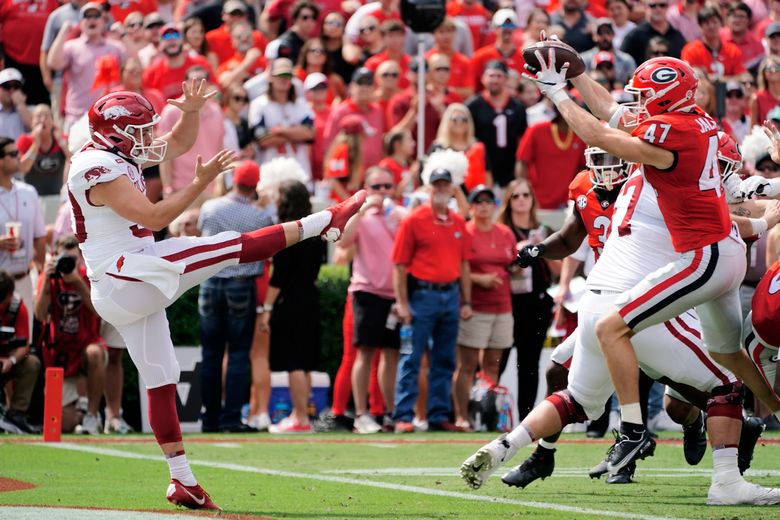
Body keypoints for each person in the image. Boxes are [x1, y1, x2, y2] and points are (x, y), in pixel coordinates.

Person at [66, 81, 366, 509]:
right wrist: (201, 183)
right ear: (115, 133)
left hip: (126, 278)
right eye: (140, 131)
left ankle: (181, 480)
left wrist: (189, 113)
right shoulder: (96, 168)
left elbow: (175, 144)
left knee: (161, 376)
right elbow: (156, 215)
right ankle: (324, 223)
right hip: (128, 274)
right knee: (229, 246)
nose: (148, 138)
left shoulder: (116, 153)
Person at [460, 162, 780, 505]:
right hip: (638, 305)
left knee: (576, 398)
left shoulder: (632, 184)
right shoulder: (673, 183)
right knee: (727, 378)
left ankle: (504, 446)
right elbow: (730, 216)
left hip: (595, 299)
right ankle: (715, 475)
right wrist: (765, 217)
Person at [526, 47, 780, 475]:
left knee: (613, 326)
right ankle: (769, 414)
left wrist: (559, 95)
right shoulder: (690, 123)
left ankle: (630, 431)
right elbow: (612, 113)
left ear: (665, 99)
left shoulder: (676, 135)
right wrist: (578, 75)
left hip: (707, 257)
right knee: (729, 354)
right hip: (718, 254)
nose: (637, 104)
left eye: (645, 96)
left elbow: (603, 135)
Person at [391, 167, 472, 433]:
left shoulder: (457, 222)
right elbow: (399, 266)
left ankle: (438, 415)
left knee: (445, 359)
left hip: (449, 295)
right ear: (428, 189)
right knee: (412, 357)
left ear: (451, 189)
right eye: (435, 185)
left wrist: (466, 300)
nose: (440, 189)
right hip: (423, 295)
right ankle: (404, 415)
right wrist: (402, 303)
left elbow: (463, 264)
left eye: (444, 185)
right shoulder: (414, 220)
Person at [198, 161, 272, 433]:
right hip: (241, 283)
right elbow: (268, 250)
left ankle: (209, 418)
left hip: (210, 282)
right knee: (239, 354)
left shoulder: (210, 207)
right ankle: (230, 418)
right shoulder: (260, 215)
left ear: (233, 181)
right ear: (254, 185)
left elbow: (200, 233)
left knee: (211, 354)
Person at [339, 167, 405, 433]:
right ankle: (361, 414)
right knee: (364, 353)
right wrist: (362, 209)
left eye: (387, 186)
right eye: (376, 187)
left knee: (391, 355)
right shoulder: (362, 216)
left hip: (393, 294)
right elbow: (343, 243)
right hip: (367, 291)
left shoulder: (398, 214)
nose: (382, 192)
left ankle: (389, 413)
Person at [259, 180, 328, 434]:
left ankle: (300, 417)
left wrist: (266, 308)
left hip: (290, 302)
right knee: (305, 361)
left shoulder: (288, 233)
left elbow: (279, 277)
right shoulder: (316, 233)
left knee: (294, 362)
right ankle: (301, 414)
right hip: (310, 297)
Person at [452, 185, 516, 431]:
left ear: (495, 205)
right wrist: (481, 279)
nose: (484, 205)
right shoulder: (465, 231)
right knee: (467, 365)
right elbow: (457, 268)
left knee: (492, 364)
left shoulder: (505, 233)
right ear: (471, 206)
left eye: (488, 201)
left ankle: (487, 414)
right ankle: (462, 415)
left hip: (502, 306)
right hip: (475, 306)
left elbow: (511, 264)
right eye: (478, 201)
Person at [499, 179, 559, 421]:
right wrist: (517, 252)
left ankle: (525, 420)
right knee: (498, 359)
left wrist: (539, 250)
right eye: (516, 196)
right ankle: (488, 413)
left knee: (530, 363)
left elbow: (558, 268)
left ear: (533, 200)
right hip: (507, 303)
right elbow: (498, 266)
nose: (521, 200)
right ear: (508, 201)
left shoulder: (542, 230)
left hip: (537, 303)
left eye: (526, 195)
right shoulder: (502, 230)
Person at [36, 234, 106, 434]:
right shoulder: (48, 278)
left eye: (73, 260)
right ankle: (80, 413)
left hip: (85, 347)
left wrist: (78, 282)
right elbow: (40, 315)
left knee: (96, 353)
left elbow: (98, 310)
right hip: (60, 356)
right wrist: (47, 285)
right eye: (64, 260)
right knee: (61, 426)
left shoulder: (88, 276)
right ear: (55, 258)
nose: (68, 264)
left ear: (81, 259)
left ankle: (92, 415)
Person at [46, 2, 126, 130]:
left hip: (109, 116)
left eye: (96, 16)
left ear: (103, 21)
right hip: (77, 117)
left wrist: (124, 35)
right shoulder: (71, 46)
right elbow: (53, 63)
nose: (92, 19)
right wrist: (63, 33)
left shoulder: (115, 47)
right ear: (80, 23)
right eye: (87, 16)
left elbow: (136, 65)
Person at [157, 66, 224, 200]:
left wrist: (220, 182)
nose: (197, 84)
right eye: (193, 80)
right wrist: (168, 187)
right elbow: (163, 153)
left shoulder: (216, 110)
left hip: (210, 186)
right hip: (181, 187)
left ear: (208, 84)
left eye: (201, 80)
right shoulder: (171, 111)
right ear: (185, 84)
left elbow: (219, 149)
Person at [0, 137, 46, 330]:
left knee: (24, 343)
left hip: (24, 279)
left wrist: (40, 268)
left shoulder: (29, 192)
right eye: (12, 154)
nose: (19, 156)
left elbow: (40, 236)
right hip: (1, 283)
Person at [249, 58, 315, 177]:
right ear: (270, 77)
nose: (284, 79)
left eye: (288, 75)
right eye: (280, 75)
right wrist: (296, 133)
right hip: (270, 170)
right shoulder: (259, 104)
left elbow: (310, 133)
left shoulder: (300, 104)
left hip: (299, 169)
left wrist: (280, 130)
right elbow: (263, 140)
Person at [466, 60, 526, 188]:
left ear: (506, 79)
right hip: (481, 165)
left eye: (499, 76)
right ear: (483, 78)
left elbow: (522, 138)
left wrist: (520, 166)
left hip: (509, 167)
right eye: (491, 76)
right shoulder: (473, 106)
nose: (495, 80)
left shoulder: (517, 107)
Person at [515, 108, 587, 209]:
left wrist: (575, 196)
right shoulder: (537, 129)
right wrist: (524, 193)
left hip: (566, 203)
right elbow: (522, 162)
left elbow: (583, 168)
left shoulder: (581, 135)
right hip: (536, 201)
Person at [0, 270, 39, 434]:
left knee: (32, 363)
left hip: (7, 362)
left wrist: (10, 361)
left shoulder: (18, 307)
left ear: (9, 295)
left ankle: (15, 414)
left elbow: (24, 345)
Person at [324, 67, 385, 169]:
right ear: (351, 87)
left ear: (373, 88)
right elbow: (328, 148)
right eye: (360, 83)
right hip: (348, 177)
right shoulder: (340, 111)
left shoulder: (377, 110)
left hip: (373, 176)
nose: (364, 87)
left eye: (368, 83)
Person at [143, 24, 214, 101]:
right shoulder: (151, 74)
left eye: (176, 35)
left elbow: (216, 91)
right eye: (166, 36)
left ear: (182, 41)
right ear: (159, 44)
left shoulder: (201, 63)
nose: (171, 39)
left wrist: (214, 95)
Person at [430, 104, 489, 192]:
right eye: (455, 119)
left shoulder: (477, 147)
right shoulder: (438, 146)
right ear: (447, 121)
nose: (459, 122)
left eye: (464, 119)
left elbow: (487, 175)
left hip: (472, 197)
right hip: (445, 196)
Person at [17, 104, 70, 197]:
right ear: (32, 122)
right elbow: (23, 168)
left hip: (57, 197)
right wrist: (35, 144)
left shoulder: (62, 139)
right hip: (32, 197)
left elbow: (73, 159)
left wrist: (62, 142)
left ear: (53, 121)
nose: (42, 120)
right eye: (38, 116)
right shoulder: (24, 140)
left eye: (46, 116)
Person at [680, 7, 745, 81]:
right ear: (700, 27)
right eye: (707, 23)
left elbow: (742, 76)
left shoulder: (733, 50)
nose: (711, 26)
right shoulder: (690, 51)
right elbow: (689, 76)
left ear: (721, 24)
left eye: (714, 22)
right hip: (702, 90)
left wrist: (717, 79)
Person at [620, 0, 686, 66]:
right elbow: (621, 63)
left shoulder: (677, 36)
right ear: (645, 7)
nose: (658, 9)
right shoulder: (634, 36)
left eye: (662, 5)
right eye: (653, 5)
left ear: (668, 7)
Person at [205, 0, 267, 66]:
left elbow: (265, 62)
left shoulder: (258, 36)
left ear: (246, 16)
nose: (236, 18)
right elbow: (213, 70)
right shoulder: (212, 37)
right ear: (223, 15)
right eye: (232, 14)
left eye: (240, 15)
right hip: (226, 73)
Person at [323, 114, 365, 202]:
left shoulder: (349, 148)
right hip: (339, 202)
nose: (364, 136)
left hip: (348, 198)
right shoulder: (342, 148)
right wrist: (348, 201)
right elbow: (333, 179)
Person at [272, 0, 319, 64]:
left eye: (313, 17)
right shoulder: (286, 42)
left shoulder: (308, 40)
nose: (309, 22)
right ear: (295, 19)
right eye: (305, 17)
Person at [0, 68, 32, 141]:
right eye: (6, 86)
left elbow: (37, 130)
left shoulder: (30, 110)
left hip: (22, 152)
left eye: (16, 86)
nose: (12, 90)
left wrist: (20, 105)